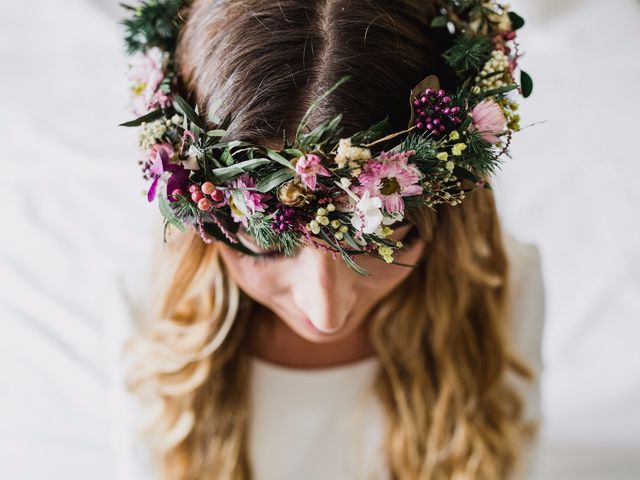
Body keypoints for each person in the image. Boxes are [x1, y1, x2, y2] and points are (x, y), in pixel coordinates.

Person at [107, 1, 545, 479]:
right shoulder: (151, 312)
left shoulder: (500, 290)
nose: (327, 315)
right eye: (266, 243)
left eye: (383, 242)